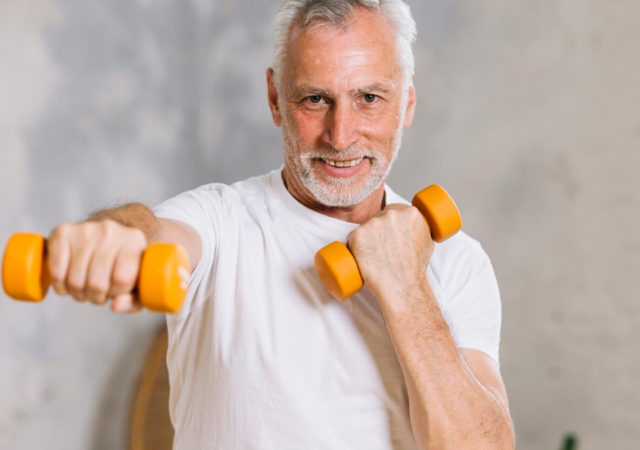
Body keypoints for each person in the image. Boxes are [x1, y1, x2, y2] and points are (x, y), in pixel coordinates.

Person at [45, 0, 515, 448]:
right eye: (315, 99)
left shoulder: (456, 262)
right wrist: (114, 238)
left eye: (369, 97)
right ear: (275, 98)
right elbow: (151, 233)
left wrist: (407, 287)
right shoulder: (222, 223)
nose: (341, 135)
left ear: (407, 103)